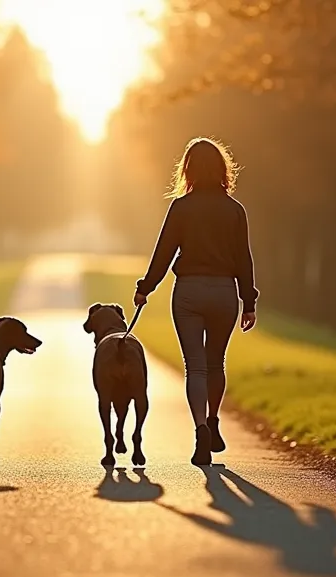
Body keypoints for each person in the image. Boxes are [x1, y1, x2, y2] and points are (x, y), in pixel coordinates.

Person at [133, 138, 258, 466]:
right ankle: (214, 420)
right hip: (223, 292)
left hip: (188, 292)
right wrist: (249, 300)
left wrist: (146, 287)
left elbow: (164, 251)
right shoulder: (235, 210)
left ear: (187, 169)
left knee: (195, 366)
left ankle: (201, 428)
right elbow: (243, 258)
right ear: (222, 169)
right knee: (216, 361)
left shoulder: (181, 207)